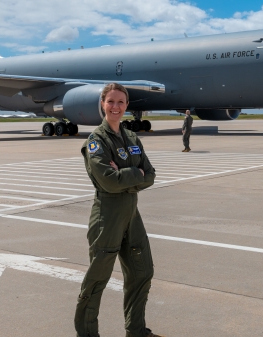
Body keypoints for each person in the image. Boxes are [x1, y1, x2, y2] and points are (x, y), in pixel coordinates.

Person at [75, 83, 162, 337]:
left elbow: (152, 176)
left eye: (121, 102)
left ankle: (136, 331)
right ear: (103, 103)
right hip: (107, 217)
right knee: (97, 280)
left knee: (142, 272)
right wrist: (135, 173)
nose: (116, 107)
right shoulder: (96, 141)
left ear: (127, 106)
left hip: (131, 216)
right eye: (111, 101)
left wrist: (123, 175)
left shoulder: (132, 138)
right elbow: (108, 181)